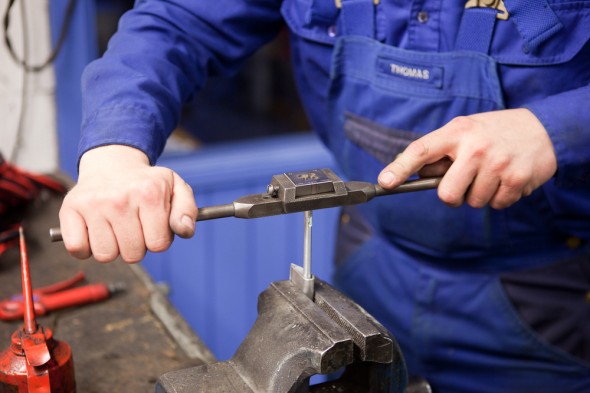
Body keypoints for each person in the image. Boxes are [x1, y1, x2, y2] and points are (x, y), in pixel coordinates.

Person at [59, 1, 590, 391]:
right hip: (372, 255)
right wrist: (114, 148)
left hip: (550, 292)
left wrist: (556, 127)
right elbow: (179, 22)